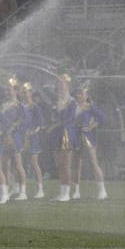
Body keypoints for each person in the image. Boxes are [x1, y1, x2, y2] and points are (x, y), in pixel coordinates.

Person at [71, 87, 108, 200]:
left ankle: (102, 190)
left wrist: (91, 126)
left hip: (88, 137)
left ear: (86, 96)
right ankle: (76, 191)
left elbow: (102, 118)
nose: (79, 96)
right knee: (76, 164)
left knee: (93, 162)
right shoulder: (72, 107)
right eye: (77, 94)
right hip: (76, 136)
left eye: (81, 94)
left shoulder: (90, 107)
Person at [46, 74, 77, 202]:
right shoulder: (57, 100)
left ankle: (67, 193)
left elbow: (68, 120)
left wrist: (54, 126)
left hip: (66, 134)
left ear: (67, 85)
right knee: (59, 164)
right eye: (58, 84)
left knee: (66, 164)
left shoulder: (71, 102)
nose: (59, 86)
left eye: (62, 84)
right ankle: (62, 191)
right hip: (57, 133)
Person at [1, 77, 28, 200]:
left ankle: (23, 192)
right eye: (6, 90)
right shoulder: (4, 104)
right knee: (5, 165)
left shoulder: (19, 105)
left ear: (16, 91)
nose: (7, 92)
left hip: (15, 137)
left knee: (18, 164)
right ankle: (9, 189)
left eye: (10, 90)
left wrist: (14, 128)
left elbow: (24, 120)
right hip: (4, 137)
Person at [21, 82, 45, 199]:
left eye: (27, 92)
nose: (25, 95)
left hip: (32, 138)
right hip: (21, 138)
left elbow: (40, 124)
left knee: (34, 163)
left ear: (31, 93)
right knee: (20, 164)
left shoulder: (35, 107)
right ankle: (21, 188)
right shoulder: (20, 106)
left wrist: (33, 131)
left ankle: (40, 189)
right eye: (23, 93)